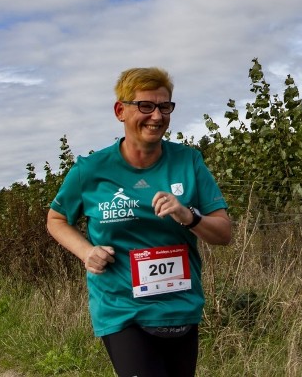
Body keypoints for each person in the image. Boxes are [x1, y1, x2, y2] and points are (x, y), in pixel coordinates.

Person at [47, 67, 232, 377]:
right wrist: (86, 252)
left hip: (180, 306)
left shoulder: (188, 161)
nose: (156, 116)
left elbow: (223, 233)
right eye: (145, 106)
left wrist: (189, 216)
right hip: (121, 308)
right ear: (121, 110)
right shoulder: (90, 170)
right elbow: (56, 219)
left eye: (164, 106)